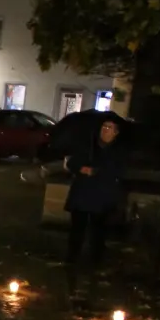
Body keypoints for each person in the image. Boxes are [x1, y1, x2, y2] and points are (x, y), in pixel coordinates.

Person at [62, 118, 127, 275]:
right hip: (82, 195)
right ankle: (72, 259)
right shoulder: (88, 146)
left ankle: (95, 260)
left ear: (116, 133)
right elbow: (72, 163)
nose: (105, 130)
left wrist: (97, 172)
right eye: (104, 126)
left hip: (101, 197)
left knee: (99, 231)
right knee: (77, 229)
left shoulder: (117, 151)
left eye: (110, 128)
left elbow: (117, 171)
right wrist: (81, 168)